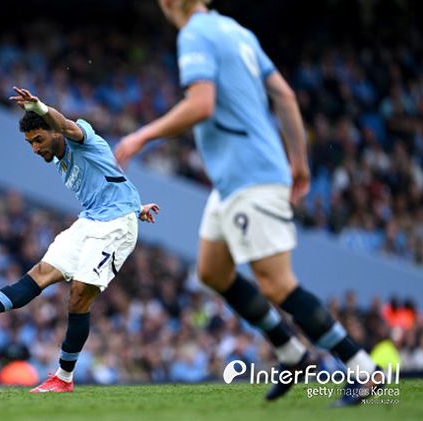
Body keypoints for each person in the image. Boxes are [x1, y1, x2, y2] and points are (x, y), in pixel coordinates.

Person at [115, 0, 381, 406]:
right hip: (234, 181)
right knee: (212, 270)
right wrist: (299, 163)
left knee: (277, 283)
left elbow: (201, 104)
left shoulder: (194, 33)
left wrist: (141, 136)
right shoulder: (236, 31)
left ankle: (362, 367)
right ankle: (291, 353)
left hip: (250, 176)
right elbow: (284, 96)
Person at [0, 86, 159, 393]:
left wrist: (39, 108)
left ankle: (63, 377)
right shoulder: (60, 159)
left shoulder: (80, 137)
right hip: (90, 221)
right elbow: (109, 175)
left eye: (38, 139)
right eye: (30, 143)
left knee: (79, 293)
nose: (34, 148)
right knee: (41, 273)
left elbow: (65, 124)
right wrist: (137, 205)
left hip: (115, 226)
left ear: (53, 132)